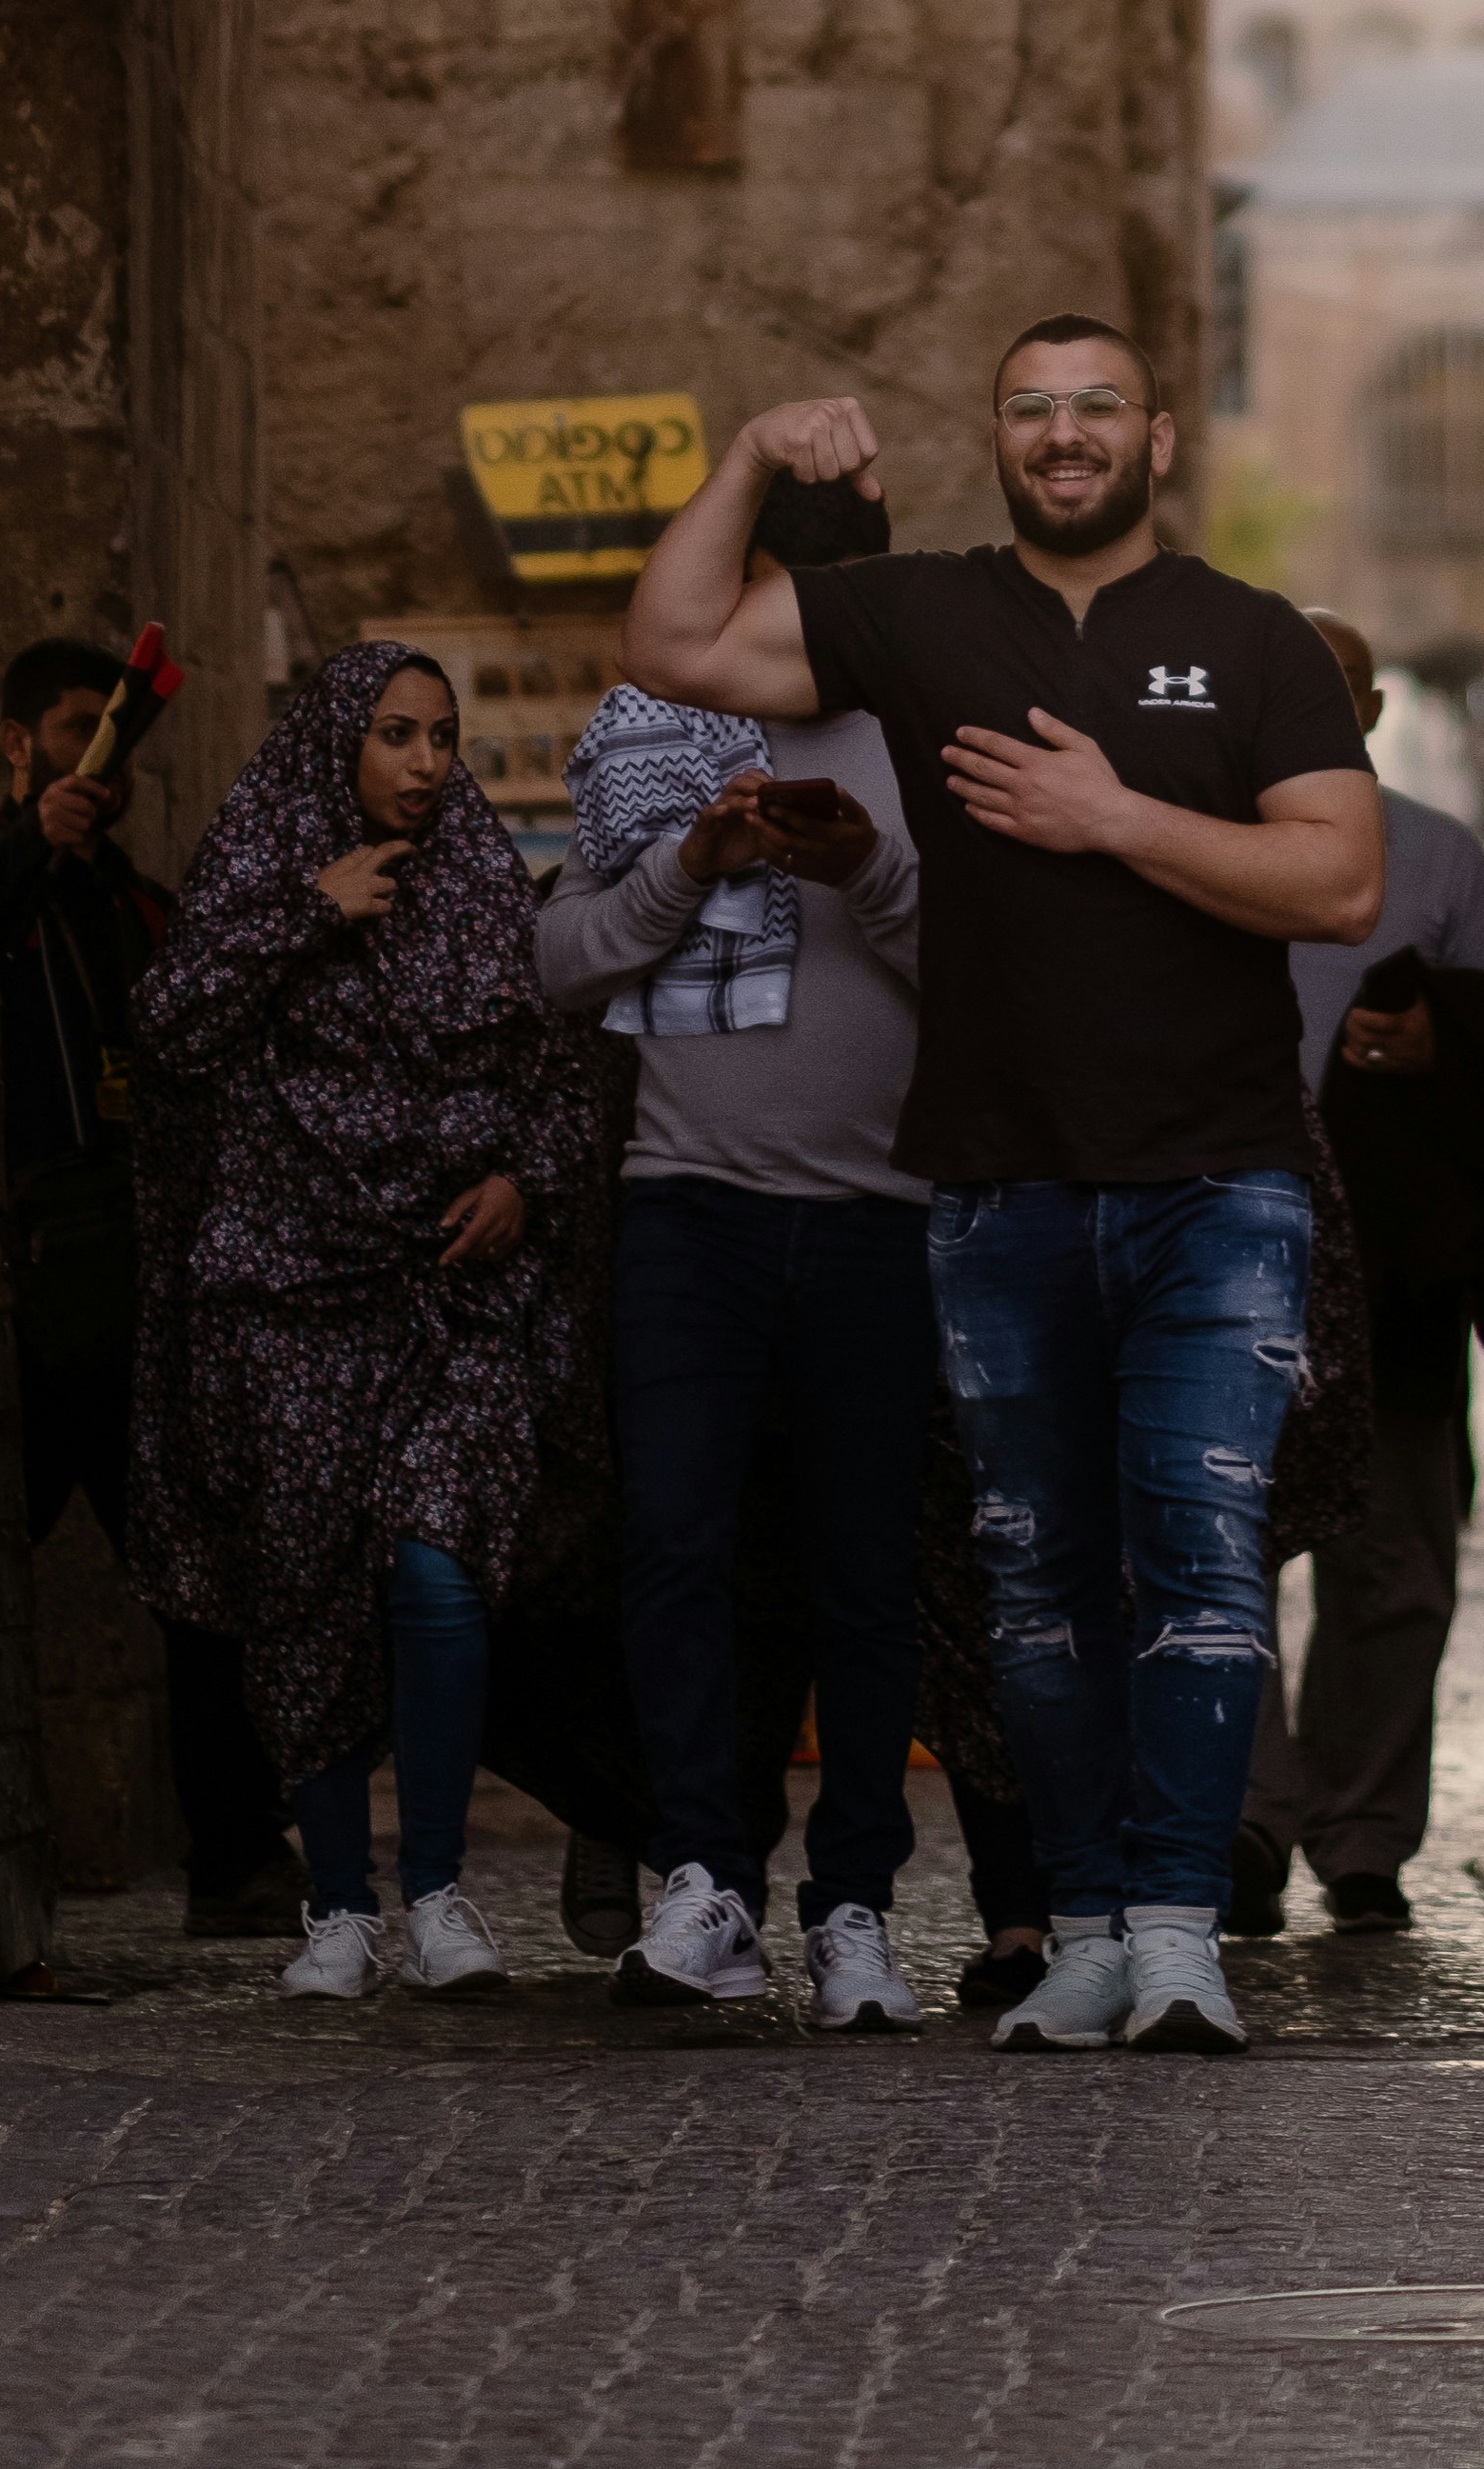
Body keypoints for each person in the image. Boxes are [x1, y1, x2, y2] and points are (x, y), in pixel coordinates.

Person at [618, 317, 1383, 2057]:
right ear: (995, 436)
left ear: (1157, 436)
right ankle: (1096, 1921)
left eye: (1095, 405)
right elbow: (665, 637)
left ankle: (1182, 1929)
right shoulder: (920, 607)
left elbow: (1337, 882)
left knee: (1197, 1564)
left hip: (1214, 1180)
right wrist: (745, 453)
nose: (1062, 432)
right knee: (1035, 1580)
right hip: (996, 1182)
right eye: (1030, 406)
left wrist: (1111, 817)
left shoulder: (1252, 637)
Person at [130, 640, 605, 2001]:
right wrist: (302, 910)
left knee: (438, 1571)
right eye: (395, 732)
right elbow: (167, 1030)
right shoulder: (261, 866)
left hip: (450, 1295)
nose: (423, 761)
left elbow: (558, 1074)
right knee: (307, 1600)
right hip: (288, 1296)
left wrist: (525, 1178)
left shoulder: (477, 886)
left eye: (442, 734)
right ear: (338, 739)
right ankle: (339, 1900)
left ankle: (441, 1889)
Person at [535, 480, 937, 2032]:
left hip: (877, 1215)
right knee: (675, 1545)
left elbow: (993, 968)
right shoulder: (659, 723)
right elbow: (562, 964)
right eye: (797, 579)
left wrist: (866, 875)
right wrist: (687, 864)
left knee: (861, 1579)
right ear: (755, 577)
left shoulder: (927, 726)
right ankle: (701, 1876)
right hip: (686, 1205)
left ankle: (852, 1909)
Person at [1234, 608, 1484, 1938]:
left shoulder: (1439, 852)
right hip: (1218, 1242)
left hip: (1395, 1258)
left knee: (1393, 1563)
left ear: (1375, 710)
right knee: (1220, 1550)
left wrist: (1439, 1042)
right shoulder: (1189, 830)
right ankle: (1243, 1819)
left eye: (1336, 690)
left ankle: (1362, 1832)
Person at [0, 637, 293, 1934]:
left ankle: (236, 1856)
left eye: (96, 739)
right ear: (17, 743)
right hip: (27, 1270)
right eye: (63, 733)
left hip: (140, 1269)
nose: (83, 765)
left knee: (195, 1574)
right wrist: (27, 844)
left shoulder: (141, 906)